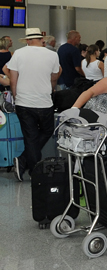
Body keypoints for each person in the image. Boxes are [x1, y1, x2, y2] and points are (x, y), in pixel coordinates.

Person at [7, 28, 61, 181]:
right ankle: (32, 169)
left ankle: (26, 162)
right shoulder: (52, 55)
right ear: (40, 39)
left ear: (28, 41)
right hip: (44, 101)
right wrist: (51, 89)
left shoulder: (18, 53)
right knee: (47, 130)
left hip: (24, 102)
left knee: (30, 137)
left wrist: (16, 97)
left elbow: (13, 79)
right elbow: (54, 78)